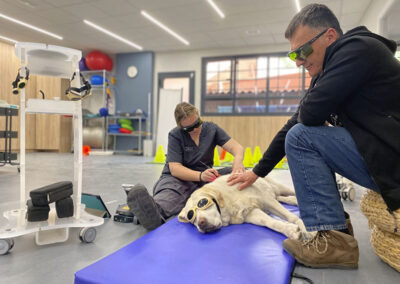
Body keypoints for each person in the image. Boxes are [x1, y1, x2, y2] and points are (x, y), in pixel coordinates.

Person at [227, 3, 400, 269]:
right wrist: (257, 172)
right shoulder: (331, 69)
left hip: (393, 160)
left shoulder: (357, 50)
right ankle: (337, 233)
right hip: (385, 155)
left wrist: (314, 93)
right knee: (298, 133)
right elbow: (294, 121)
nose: (298, 61)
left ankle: (333, 241)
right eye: (292, 55)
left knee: (302, 137)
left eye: (303, 51)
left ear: (330, 36)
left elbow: (306, 119)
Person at [128, 102, 245, 230]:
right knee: (171, 196)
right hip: (178, 179)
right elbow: (175, 168)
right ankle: (152, 213)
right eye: (189, 128)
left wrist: (238, 162)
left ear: (199, 116)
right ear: (181, 127)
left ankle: (246, 200)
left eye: (197, 123)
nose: (195, 129)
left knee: (239, 175)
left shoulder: (212, 129)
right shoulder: (175, 135)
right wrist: (200, 176)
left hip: (205, 178)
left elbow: (237, 148)